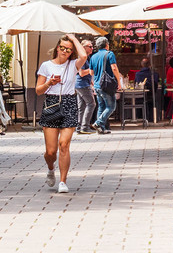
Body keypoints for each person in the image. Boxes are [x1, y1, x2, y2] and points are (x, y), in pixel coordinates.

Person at [36, 35, 89, 194]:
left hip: (69, 104)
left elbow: (84, 55)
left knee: (64, 144)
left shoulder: (73, 65)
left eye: (68, 49)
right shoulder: (46, 66)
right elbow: (38, 90)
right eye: (62, 48)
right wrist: (49, 83)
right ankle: (51, 168)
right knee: (51, 152)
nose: (65, 51)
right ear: (57, 48)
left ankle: (63, 182)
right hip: (51, 104)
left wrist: (73, 38)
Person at [87, 37, 123, 134]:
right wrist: (119, 82)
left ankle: (101, 129)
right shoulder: (109, 54)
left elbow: (91, 72)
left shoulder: (93, 56)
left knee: (101, 106)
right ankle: (98, 123)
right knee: (111, 107)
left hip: (97, 85)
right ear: (107, 45)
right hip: (106, 85)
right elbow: (114, 67)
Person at [73, 38, 98, 133]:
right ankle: (85, 127)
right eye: (90, 46)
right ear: (83, 47)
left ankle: (79, 127)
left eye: (92, 46)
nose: (92, 48)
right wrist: (92, 68)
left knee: (82, 106)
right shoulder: (82, 58)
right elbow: (82, 73)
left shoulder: (87, 58)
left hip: (81, 84)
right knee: (91, 104)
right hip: (82, 84)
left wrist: (92, 83)